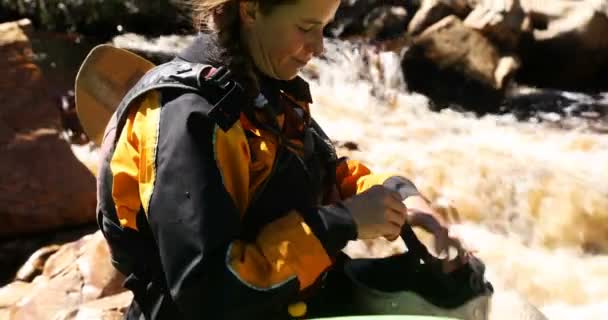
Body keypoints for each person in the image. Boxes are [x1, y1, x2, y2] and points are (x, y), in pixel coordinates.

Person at [95, 0, 470, 319]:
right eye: (307, 27)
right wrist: (342, 224)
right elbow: (204, 293)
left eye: (324, 27)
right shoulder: (188, 120)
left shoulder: (262, 85)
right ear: (252, 9)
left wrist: (400, 197)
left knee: (457, 291)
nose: (319, 47)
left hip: (282, 300)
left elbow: (325, 170)